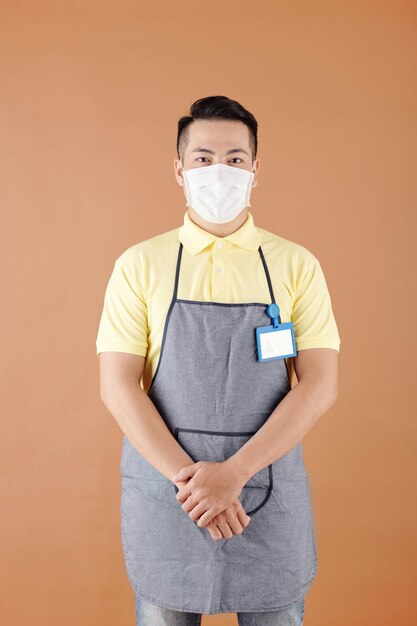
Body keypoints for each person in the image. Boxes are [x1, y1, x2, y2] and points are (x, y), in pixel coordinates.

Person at [96, 95, 341, 626]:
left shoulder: (295, 265)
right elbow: (118, 386)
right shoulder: (140, 264)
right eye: (203, 158)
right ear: (179, 170)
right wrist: (199, 486)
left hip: (265, 493)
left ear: (255, 169)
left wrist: (235, 474)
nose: (219, 171)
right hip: (171, 495)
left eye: (234, 159)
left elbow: (319, 384)